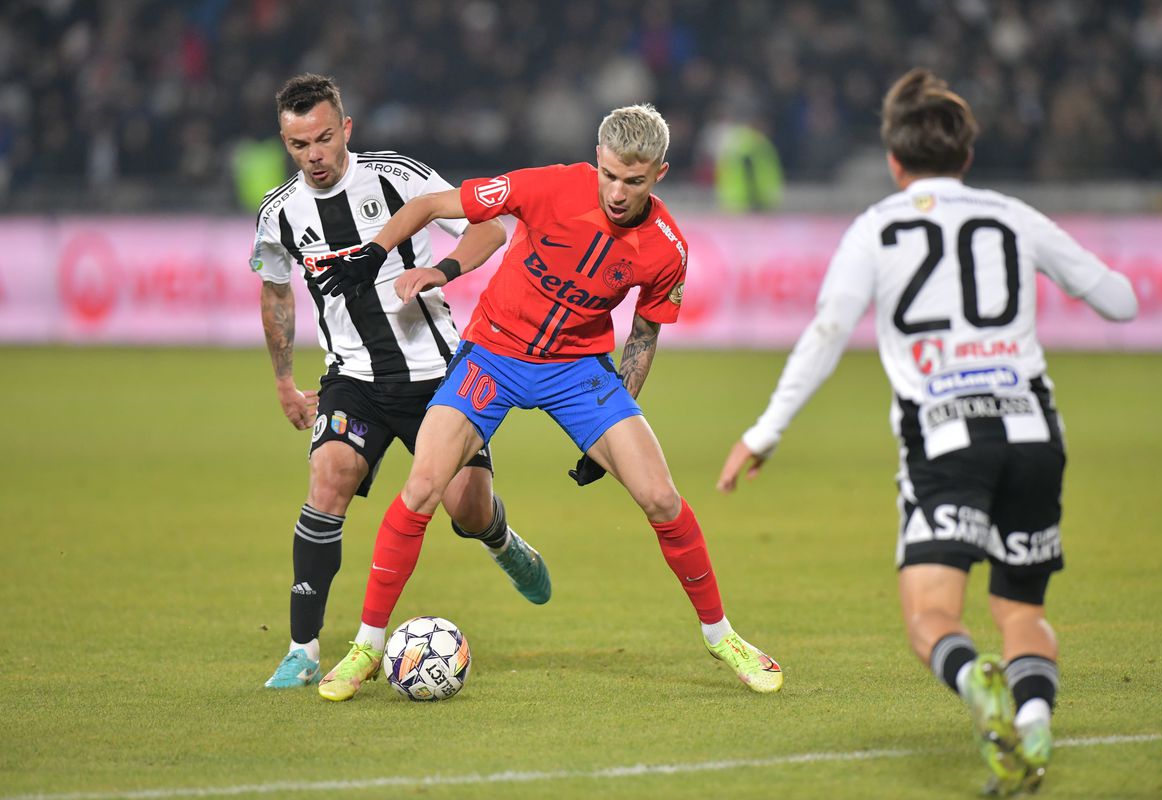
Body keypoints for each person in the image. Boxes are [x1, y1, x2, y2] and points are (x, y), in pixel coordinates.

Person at [717, 68, 1137, 794]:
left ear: (893, 159)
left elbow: (827, 332)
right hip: (1035, 432)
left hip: (947, 438)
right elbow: (1122, 301)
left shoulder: (877, 229)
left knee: (931, 616)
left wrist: (765, 430)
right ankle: (1033, 729)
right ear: (967, 155)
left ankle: (979, 687)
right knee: (1021, 609)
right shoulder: (1011, 215)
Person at [313, 103, 783, 701]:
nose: (617, 191)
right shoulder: (549, 187)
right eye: (609, 174)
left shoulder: (667, 248)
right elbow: (433, 205)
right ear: (597, 159)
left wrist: (615, 416)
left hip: (577, 370)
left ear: (658, 175)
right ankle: (366, 648)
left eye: (633, 181)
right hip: (492, 355)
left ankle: (722, 637)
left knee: (662, 498)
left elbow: (643, 336)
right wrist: (378, 253)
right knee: (423, 488)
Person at [251, 73, 551, 691]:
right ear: (286, 143)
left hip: (439, 376)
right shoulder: (279, 215)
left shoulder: (397, 177)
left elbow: (490, 228)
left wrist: (442, 270)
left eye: (325, 139)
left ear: (346, 130)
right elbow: (276, 290)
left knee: (466, 511)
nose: (314, 155)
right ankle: (302, 648)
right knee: (329, 477)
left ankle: (499, 538)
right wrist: (284, 380)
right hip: (353, 381)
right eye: (299, 144)